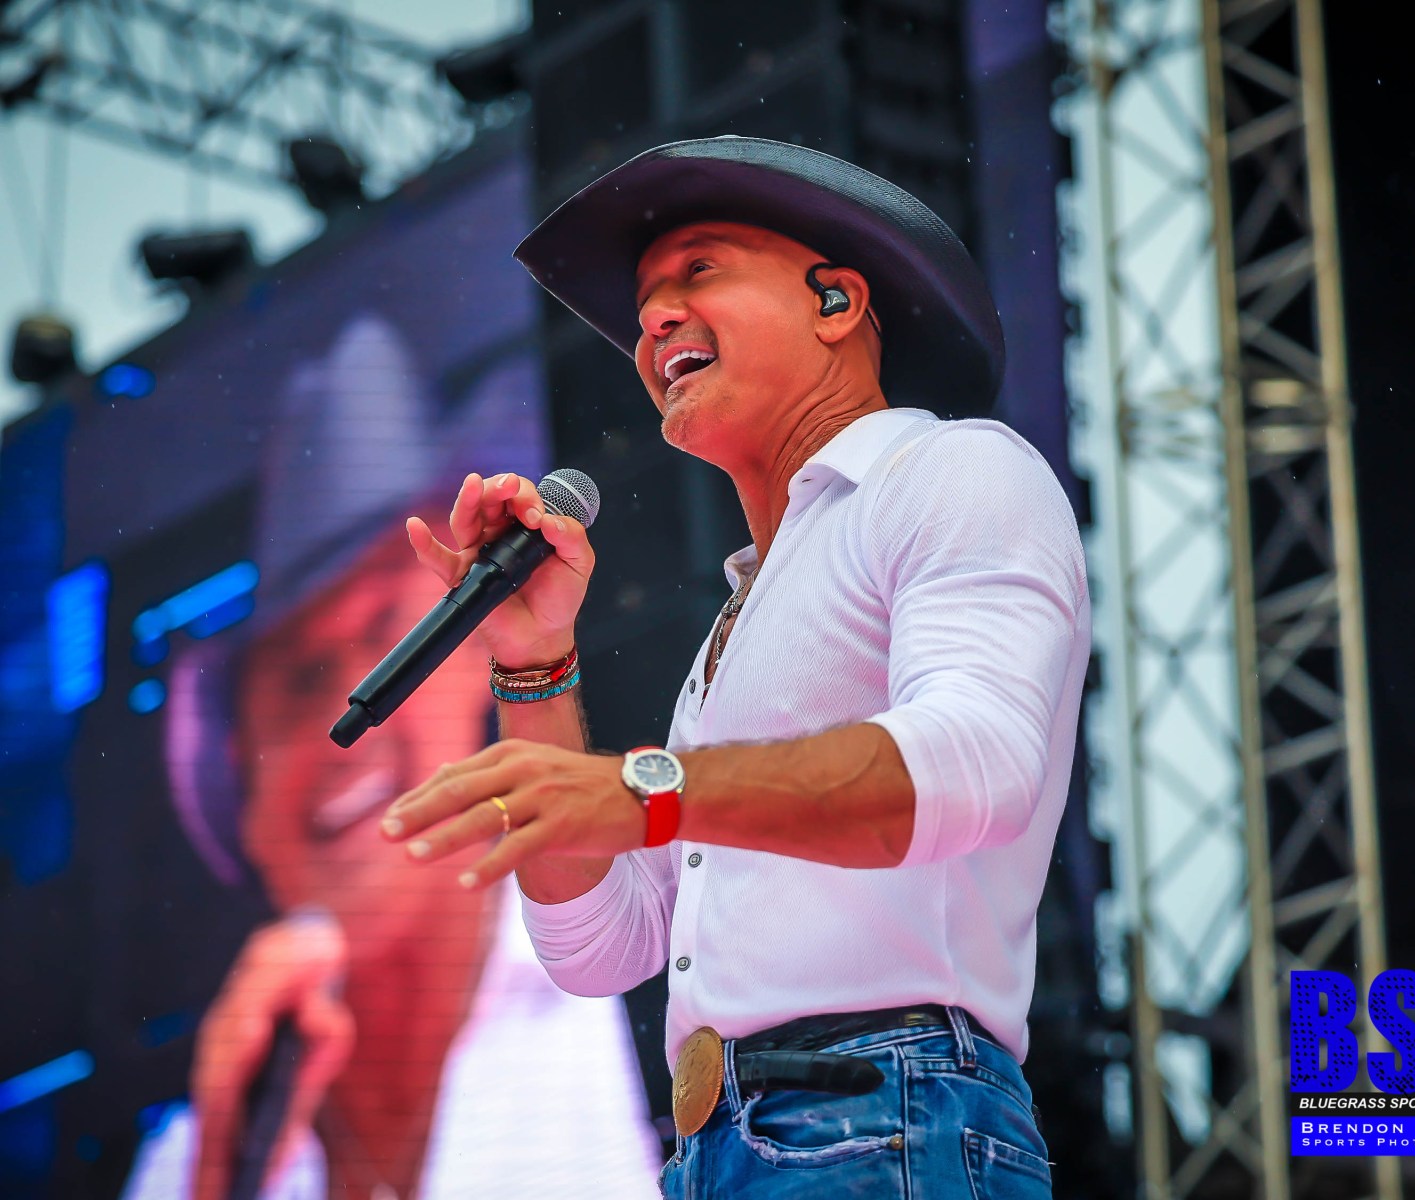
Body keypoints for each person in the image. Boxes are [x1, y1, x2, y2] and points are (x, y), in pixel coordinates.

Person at [381, 136, 1091, 1197]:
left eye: (698, 271)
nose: (654, 321)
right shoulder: (739, 619)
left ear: (836, 302)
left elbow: (975, 764)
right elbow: (600, 947)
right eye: (643, 308)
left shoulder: (953, 468)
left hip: (885, 1116)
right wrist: (534, 664)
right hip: (727, 1149)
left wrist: (641, 791)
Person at [122, 315, 660, 1200]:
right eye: (301, 677)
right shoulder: (191, 1161)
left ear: (477, 673)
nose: (348, 708)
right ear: (239, 784)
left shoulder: (626, 973)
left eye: (387, 633)